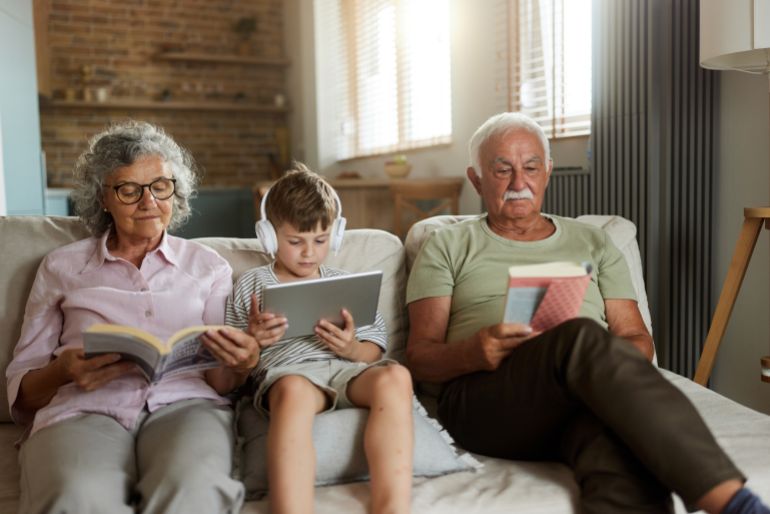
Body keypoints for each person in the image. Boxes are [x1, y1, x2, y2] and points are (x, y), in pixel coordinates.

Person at [405, 112, 770, 514]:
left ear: (548, 172)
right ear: (476, 179)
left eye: (530, 168)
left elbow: (637, 341)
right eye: (502, 170)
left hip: (580, 394)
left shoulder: (595, 243)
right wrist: (473, 352)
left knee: (613, 443)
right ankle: (736, 504)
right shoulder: (446, 245)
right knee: (578, 335)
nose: (519, 183)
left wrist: (592, 369)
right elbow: (419, 356)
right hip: (483, 397)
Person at [6, 121, 259, 514]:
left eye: (160, 186)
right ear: (102, 197)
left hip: (187, 404)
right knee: (76, 494)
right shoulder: (60, 267)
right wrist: (62, 372)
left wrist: (241, 365)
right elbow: (21, 388)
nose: (149, 202)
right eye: (129, 190)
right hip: (84, 407)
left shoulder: (209, 267)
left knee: (192, 490)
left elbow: (220, 379)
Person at [224, 164, 413, 514]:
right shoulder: (250, 284)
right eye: (295, 241)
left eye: (320, 241)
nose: (309, 252)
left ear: (336, 236)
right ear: (268, 235)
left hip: (346, 371)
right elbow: (233, 360)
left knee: (395, 376)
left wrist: (351, 347)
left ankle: (392, 507)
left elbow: (373, 349)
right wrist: (253, 340)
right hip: (290, 375)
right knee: (294, 392)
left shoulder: (344, 282)